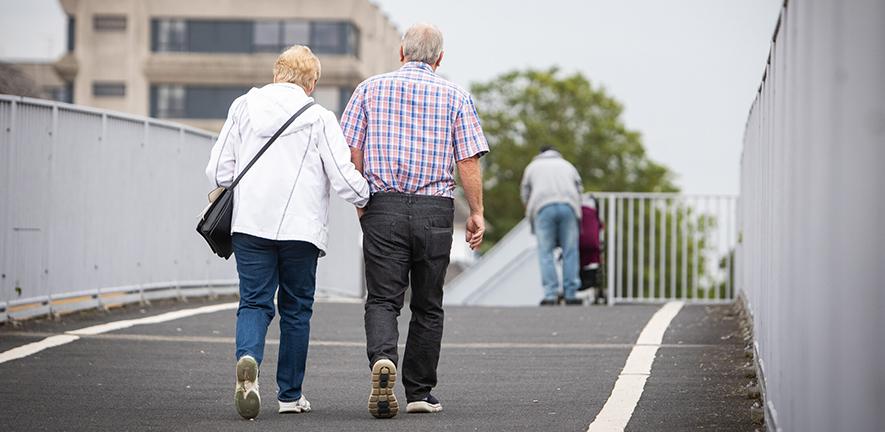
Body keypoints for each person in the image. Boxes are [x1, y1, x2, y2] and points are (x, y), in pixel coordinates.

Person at [205, 45, 370, 420]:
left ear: (277, 73)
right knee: (296, 309)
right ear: (311, 83)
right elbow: (343, 177)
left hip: (250, 224)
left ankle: (248, 359)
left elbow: (218, 171)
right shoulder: (319, 117)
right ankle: (290, 396)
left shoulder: (243, 106)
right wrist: (366, 197)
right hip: (302, 229)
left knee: (254, 302)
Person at [341, 23, 489, 418]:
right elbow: (468, 160)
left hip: (382, 206)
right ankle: (420, 391)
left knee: (383, 300)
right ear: (439, 59)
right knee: (427, 304)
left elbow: (352, 150)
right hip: (434, 211)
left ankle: (382, 361)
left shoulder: (368, 90)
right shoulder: (456, 95)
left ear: (401, 52)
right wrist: (476, 212)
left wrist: (362, 202)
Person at [520, 146, 583, 306]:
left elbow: (525, 192)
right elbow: (579, 188)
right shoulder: (567, 165)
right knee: (570, 251)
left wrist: (529, 209)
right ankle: (571, 294)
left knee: (545, 252)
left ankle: (550, 294)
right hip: (568, 206)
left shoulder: (532, 167)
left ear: (540, 154)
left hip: (543, 208)